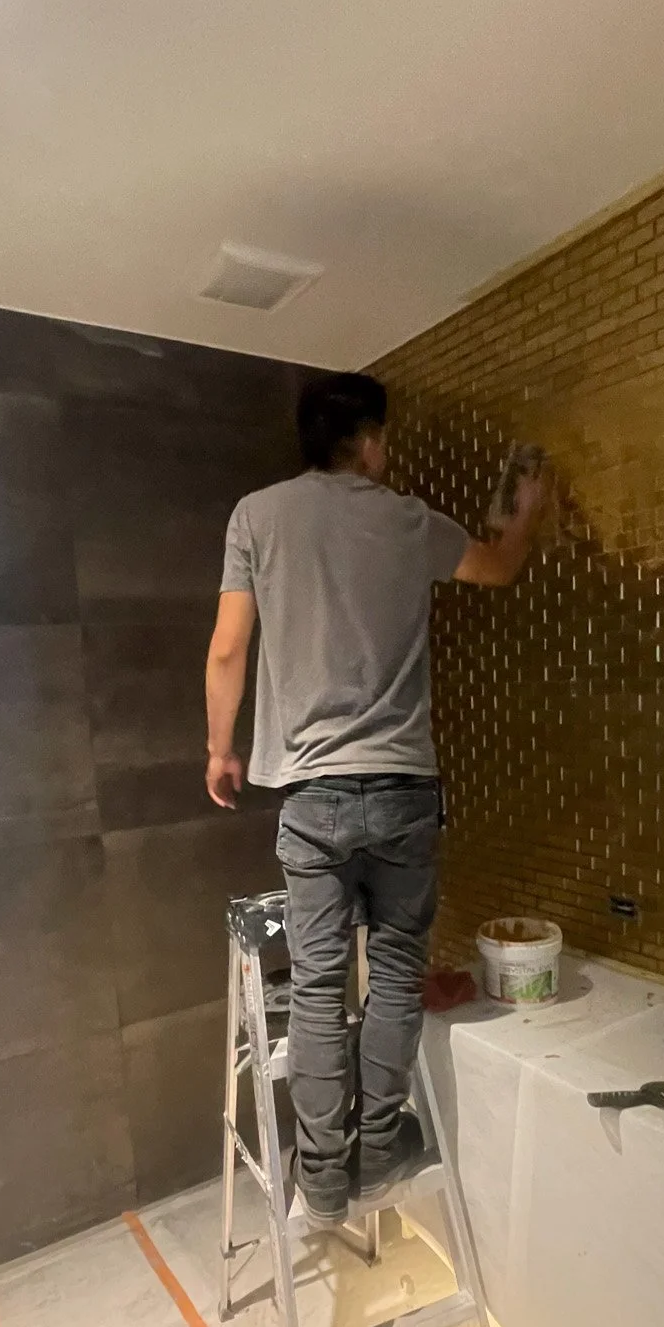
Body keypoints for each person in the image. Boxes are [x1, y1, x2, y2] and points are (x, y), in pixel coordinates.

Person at [205, 372, 548, 1227]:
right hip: (401, 793)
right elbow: (500, 566)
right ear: (366, 441)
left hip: (311, 797)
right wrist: (528, 504)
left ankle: (321, 1180)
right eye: (383, 440)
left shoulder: (257, 515)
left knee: (320, 986)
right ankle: (380, 1147)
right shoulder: (410, 521)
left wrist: (221, 750)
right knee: (392, 975)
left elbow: (226, 650)